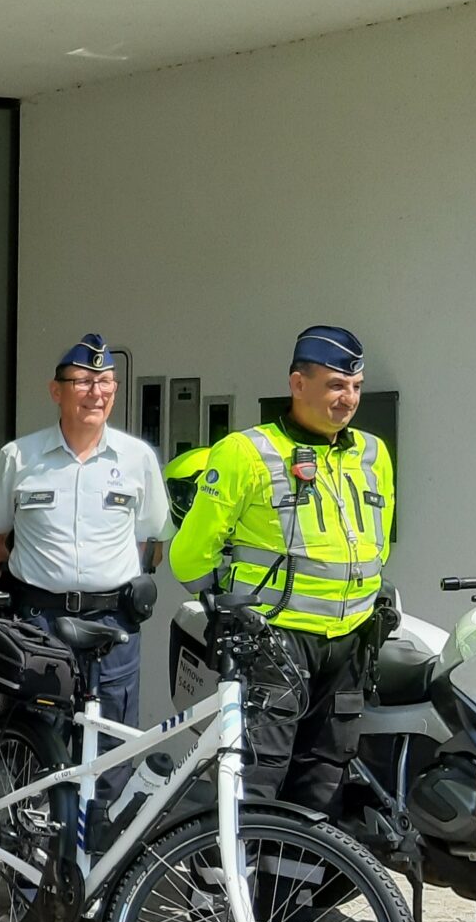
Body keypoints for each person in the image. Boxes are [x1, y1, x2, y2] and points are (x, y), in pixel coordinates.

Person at [168, 325, 394, 820]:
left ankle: (294, 877)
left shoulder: (373, 454)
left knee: (324, 785)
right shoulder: (246, 451)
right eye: (336, 385)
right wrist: (225, 604)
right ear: (297, 384)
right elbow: (188, 556)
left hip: (351, 646)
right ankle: (236, 874)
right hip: (275, 643)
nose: (348, 399)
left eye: (356, 387)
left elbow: (375, 546)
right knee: (258, 783)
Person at [0, 333, 171, 726]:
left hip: (111, 626)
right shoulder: (19, 457)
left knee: (110, 745)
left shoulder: (138, 458)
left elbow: (152, 544)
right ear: (56, 391)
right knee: (35, 742)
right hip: (39, 624)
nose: (96, 393)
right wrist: (15, 586)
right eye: (83, 382)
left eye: (105, 382)